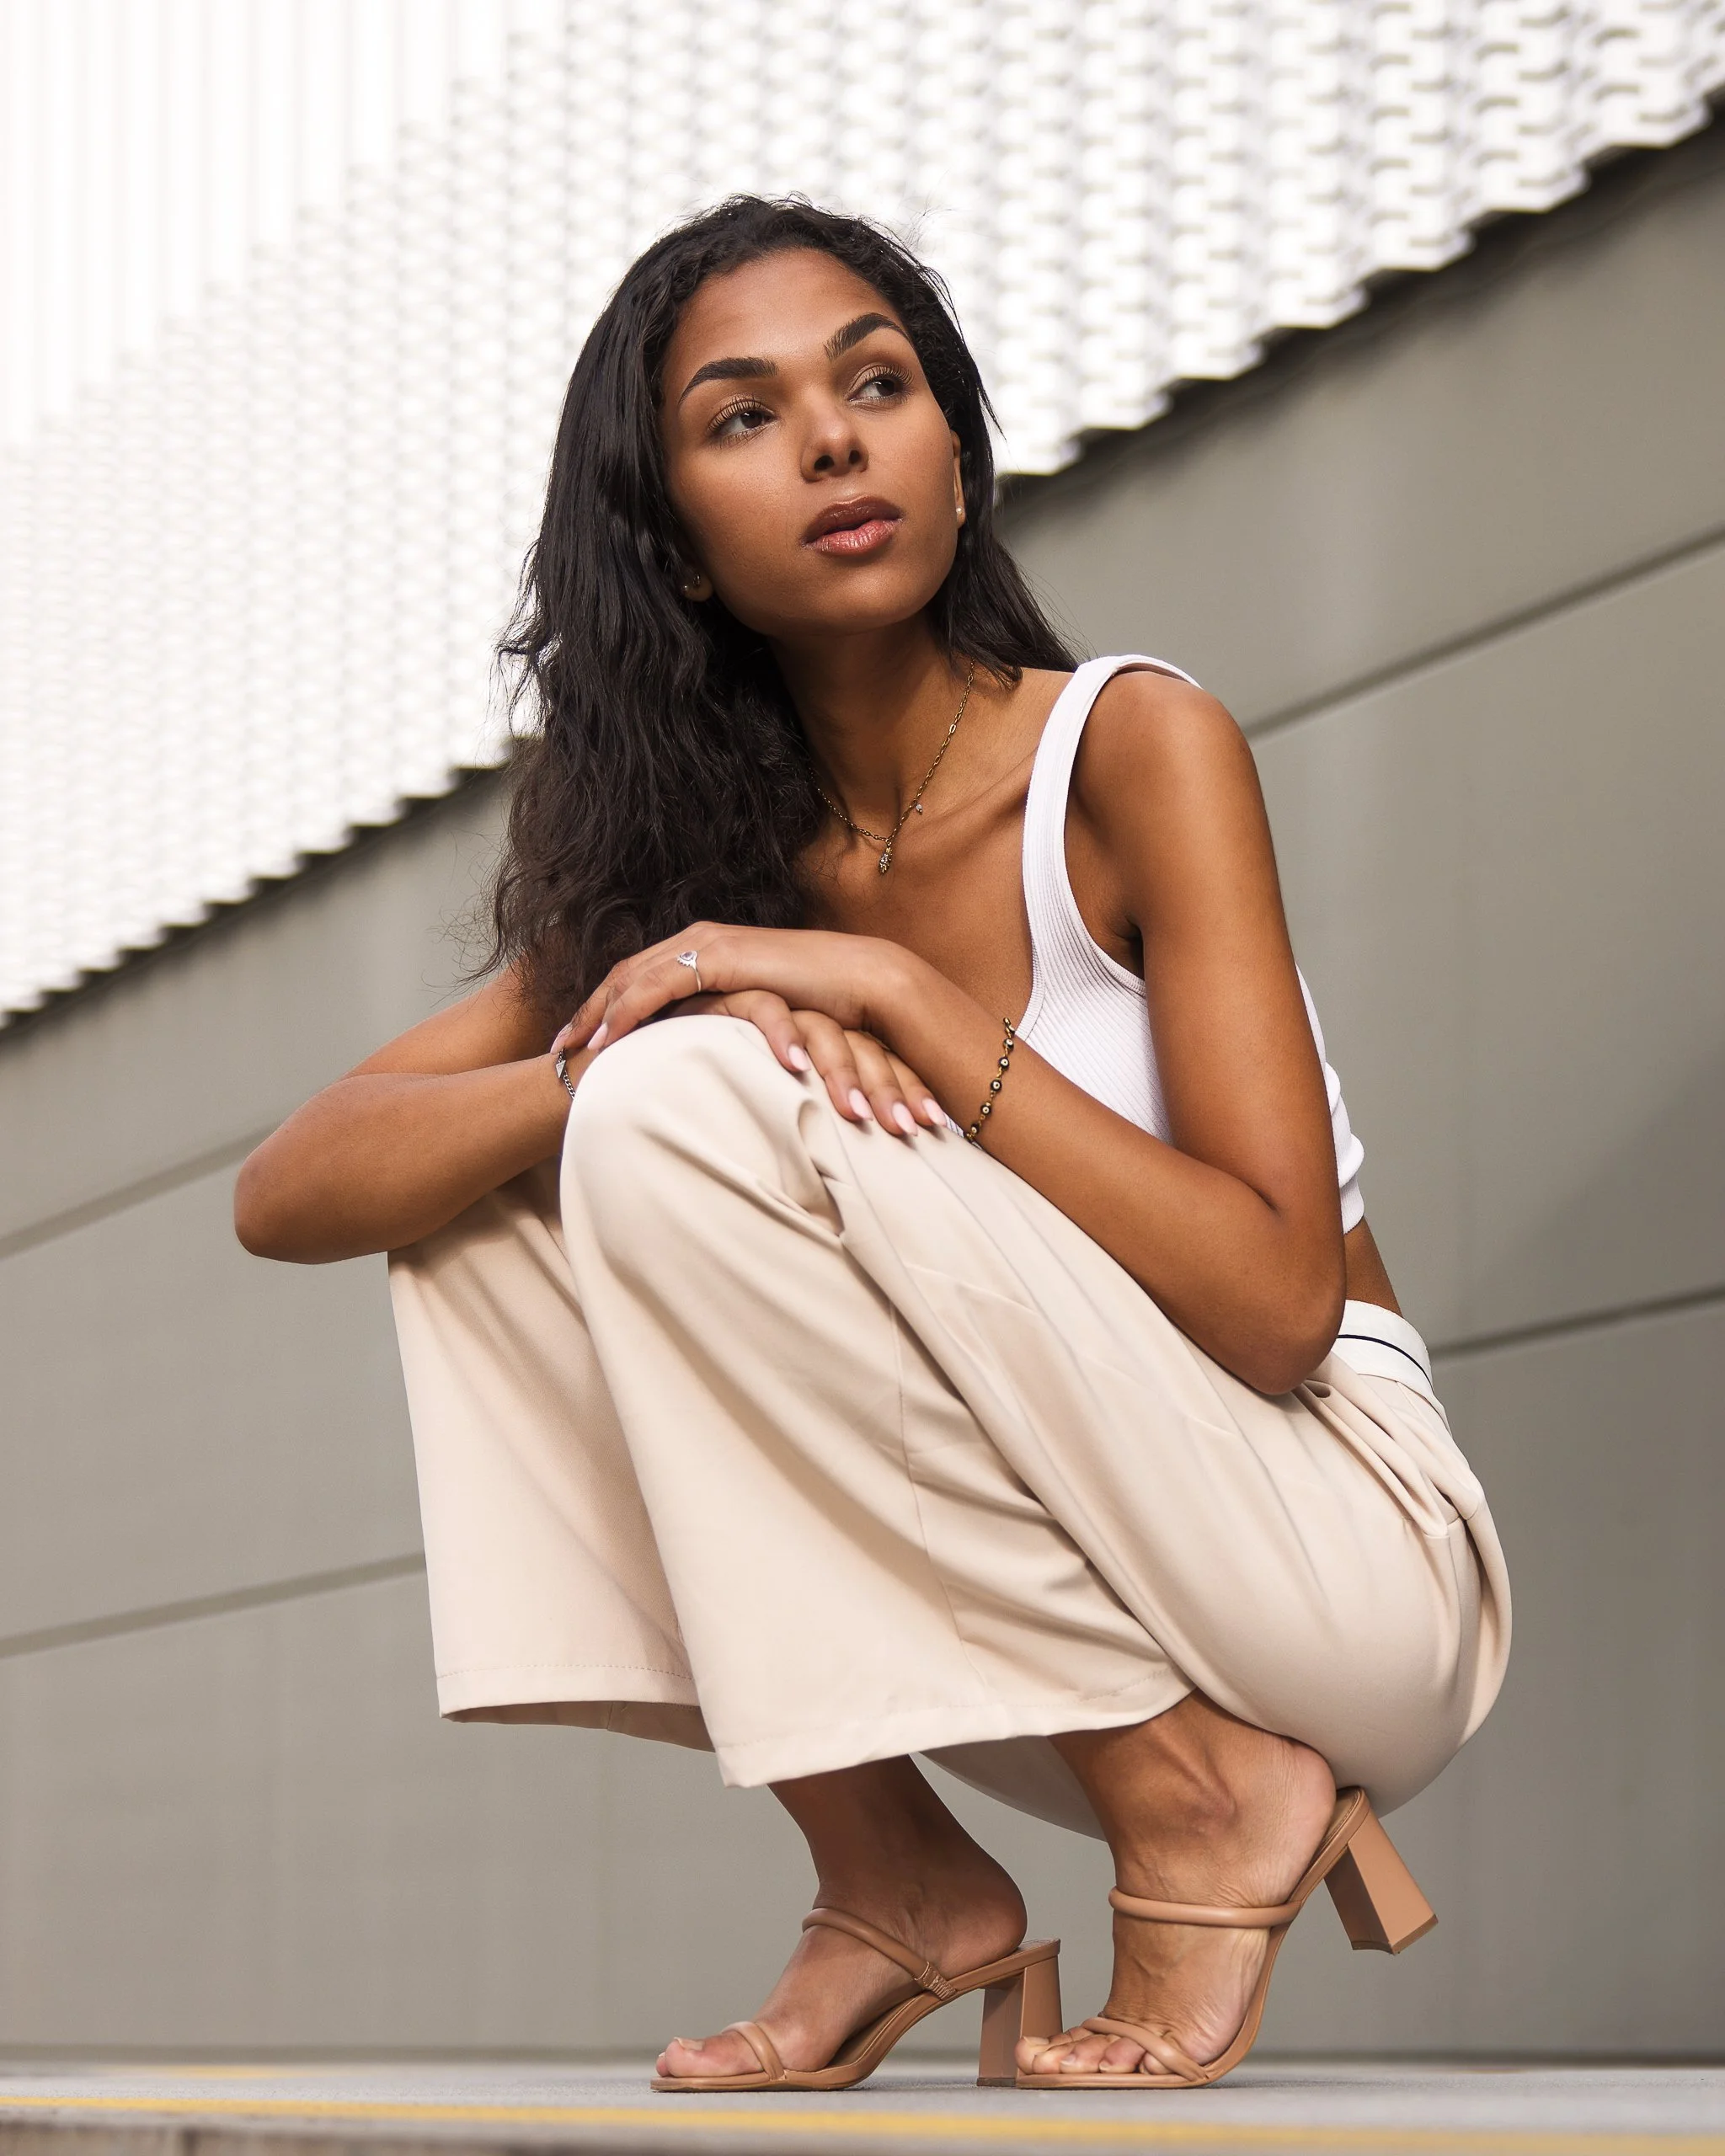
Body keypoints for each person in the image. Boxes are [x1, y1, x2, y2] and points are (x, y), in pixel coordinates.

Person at [235, 195, 1509, 2093]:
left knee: (669, 1090)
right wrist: (635, 1044)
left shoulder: (1132, 750)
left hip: (1336, 1554)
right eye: (744, 417)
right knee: (520, 1177)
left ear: (951, 449)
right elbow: (292, 1186)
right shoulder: (687, 879)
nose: (834, 440)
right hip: (1048, 1612)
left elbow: (1275, 1312)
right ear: (667, 546)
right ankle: (892, 1867)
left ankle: (1201, 1791)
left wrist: (898, 999)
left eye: (879, 384)